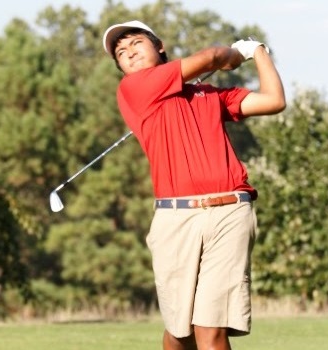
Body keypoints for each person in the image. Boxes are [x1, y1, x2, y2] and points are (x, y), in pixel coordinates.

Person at [102, 20, 285, 350]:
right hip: (176, 219)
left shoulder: (207, 95)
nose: (128, 53)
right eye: (121, 52)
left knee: (210, 330)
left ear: (159, 47)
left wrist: (258, 52)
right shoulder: (135, 88)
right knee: (180, 332)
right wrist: (235, 53)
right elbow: (213, 56)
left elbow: (273, 100)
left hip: (230, 211)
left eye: (136, 44)